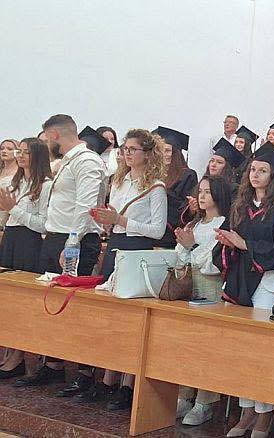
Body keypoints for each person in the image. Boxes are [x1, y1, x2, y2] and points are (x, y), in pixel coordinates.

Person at [14, 115, 106, 396]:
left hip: (75, 240)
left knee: (75, 306)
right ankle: (53, 364)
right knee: (52, 302)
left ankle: (84, 373)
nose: (43, 146)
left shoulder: (87, 161)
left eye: (44, 140)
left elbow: (85, 206)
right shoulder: (66, 161)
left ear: (54, 135)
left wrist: (73, 242)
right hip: (56, 238)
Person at [213, 144, 274, 438]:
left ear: (273, 175)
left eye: (263, 170)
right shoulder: (241, 203)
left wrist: (243, 244)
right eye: (253, 169)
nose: (255, 174)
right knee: (241, 351)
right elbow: (229, 237)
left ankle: (265, 415)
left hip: (268, 284)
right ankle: (246, 410)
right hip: (240, 281)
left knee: (262, 352)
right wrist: (226, 242)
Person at [91, 128, 167, 411]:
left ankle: (128, 383)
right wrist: (106, 221)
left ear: (147, 153)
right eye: (124, 149)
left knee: (131, 320)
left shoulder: (156, 187)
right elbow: (114, 219)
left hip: (137, 249)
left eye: (133, 149)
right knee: (112, 315)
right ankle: (107, 377)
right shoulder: (119, 181)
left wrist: (121, 221)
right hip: (116, 245)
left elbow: (158, 231)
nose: (127, 153)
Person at [174, 175, 231, 426]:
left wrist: (192, 247)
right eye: (201, 191)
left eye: (208, 191)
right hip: (190, 286)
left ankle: (205, 402)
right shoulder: (194, 223)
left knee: (207, 347)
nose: (202, 196)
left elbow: (213, 264)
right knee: (186, 345)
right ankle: (184, 396)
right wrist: (185, 245)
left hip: (210, 288)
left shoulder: (223, 224)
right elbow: (181, 256)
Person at [0, 137, 52, 380]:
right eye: (18, 152)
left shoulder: (45, 185)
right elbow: (8, 215)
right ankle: (9, 351)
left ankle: (19, 356)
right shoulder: (16, 181)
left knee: (22, 301)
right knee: (7, 299)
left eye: (25, 152)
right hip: (10, 237)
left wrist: (14, 209)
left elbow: (43, 224)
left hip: (29, 242)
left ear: (38, 156)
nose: (20, 156)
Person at [151, 126, 198, 248]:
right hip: (150, 231)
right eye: (161, 150)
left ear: (176, 153)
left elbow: (185, 206)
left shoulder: (187, 175)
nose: (164, 154)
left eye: (168, 150)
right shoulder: (153, 174)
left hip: (171, 233)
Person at [0, 139, 19, 228]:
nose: (4, 151)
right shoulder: (1, 170)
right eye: (2, 148)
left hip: (8, 215)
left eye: (9, 149)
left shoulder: (20, 172)